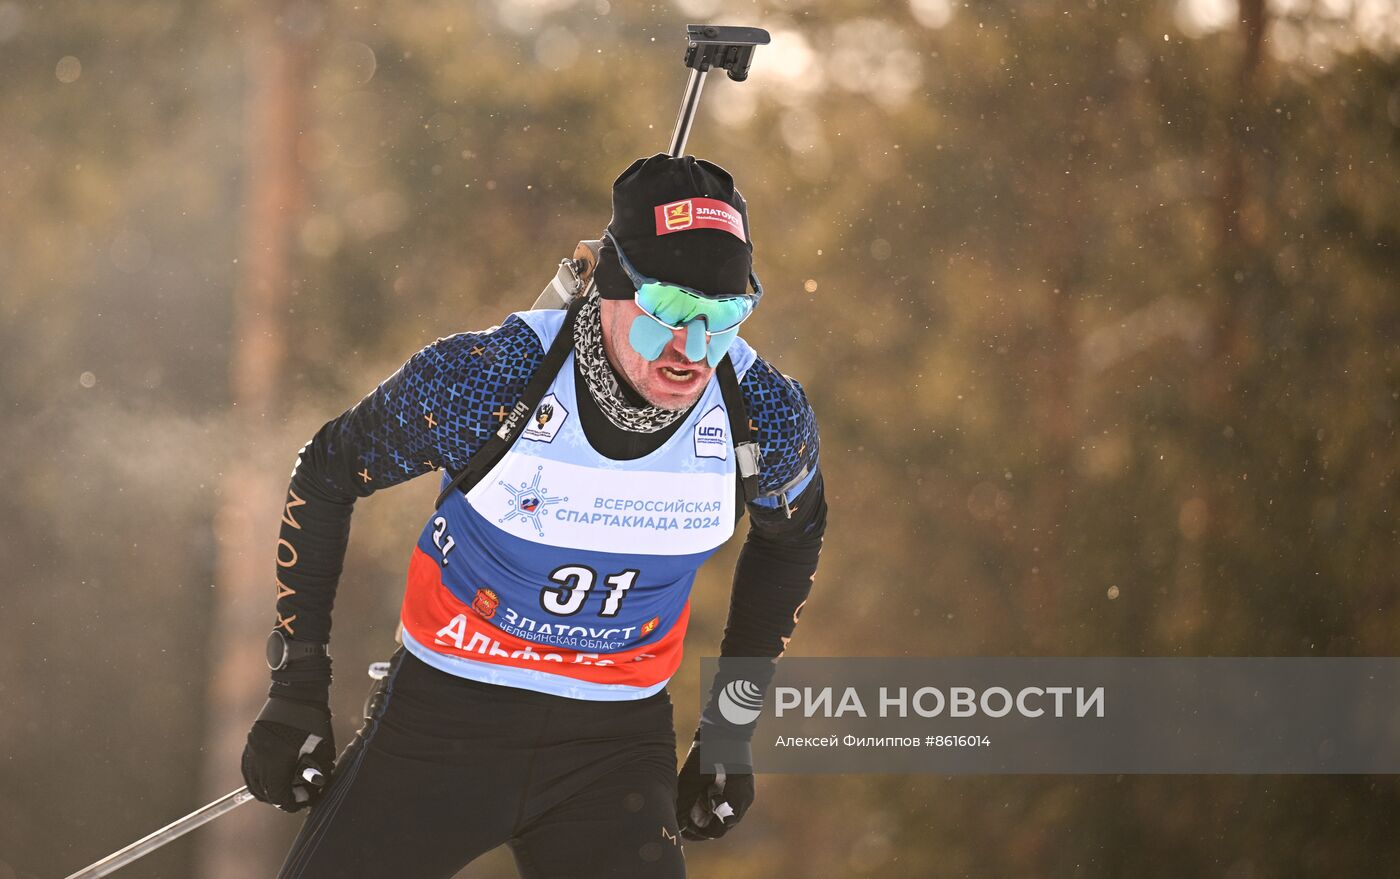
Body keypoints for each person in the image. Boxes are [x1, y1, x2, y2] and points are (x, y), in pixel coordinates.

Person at [240, 154, 826, 879]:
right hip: (441, 724)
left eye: (723, 318)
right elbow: (326, 472)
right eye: (669, 312)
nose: (691, 348)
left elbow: (791, 538)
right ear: (612, 288)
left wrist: (729, 729)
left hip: (612, 749)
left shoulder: (762, 413)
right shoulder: (491, 379)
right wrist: (297, 686)